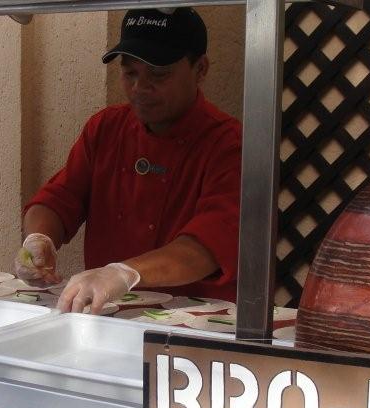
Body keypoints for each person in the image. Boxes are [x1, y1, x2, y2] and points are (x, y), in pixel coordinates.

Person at [15, 7, 241, 314]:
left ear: (200, 69)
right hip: (108, 313)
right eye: (130, 73)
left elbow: (206, 247)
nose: (139, 88)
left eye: (158, 74)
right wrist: (39, 239)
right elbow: (58, 199)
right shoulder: (106, 128)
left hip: (193, 321)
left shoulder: (228, 143)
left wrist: (123, 273)